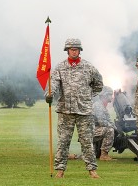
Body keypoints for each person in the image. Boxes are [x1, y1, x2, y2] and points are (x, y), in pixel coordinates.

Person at [46, 38, 103, 179]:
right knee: (63, 142)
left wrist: (88, 95)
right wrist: (49, 94)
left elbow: (99, 84)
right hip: (66, 111)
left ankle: (92, 170)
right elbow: (53, 85)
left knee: (87, 142)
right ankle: (60, 170)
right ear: (67, 50)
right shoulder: (60, 68)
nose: (74, 51)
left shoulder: (89, 67)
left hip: (84, 111)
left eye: (76, 49)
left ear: (80, 50)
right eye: (71, 49)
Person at [68, 86, 115, 161]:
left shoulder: (102, 106)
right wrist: (114, 127)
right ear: (105, 95)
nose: (111, 97)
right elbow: (102, 122)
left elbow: (108, 121)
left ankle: (73, 156)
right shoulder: (98, 106)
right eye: (110, 94)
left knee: (92, 155)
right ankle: (104, 155)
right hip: (88, 132)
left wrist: (114, 126)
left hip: (93, 131)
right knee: (110, 130)